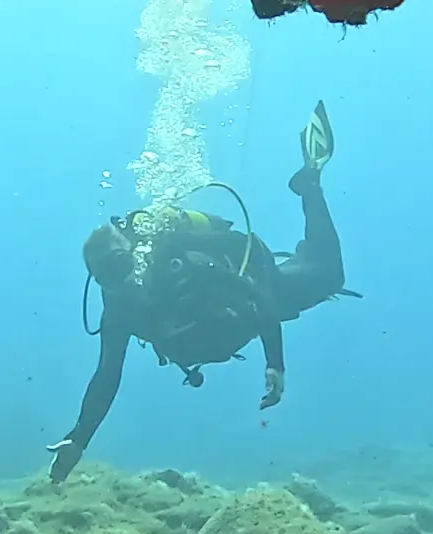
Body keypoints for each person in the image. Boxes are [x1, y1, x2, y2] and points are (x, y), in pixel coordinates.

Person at [47, 102, 356, 482]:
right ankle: (303, 241)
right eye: (107, 277)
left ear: (132, 252)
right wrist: (78, 439)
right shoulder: (119, 308)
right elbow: (107, 375)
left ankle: (309, 182)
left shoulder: (177, 262)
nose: (120, 279)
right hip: (233, 322)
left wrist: (275, 362)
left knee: (330, 275)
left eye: (119, 265)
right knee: (318, 278)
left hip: (258, 289)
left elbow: (257, 296)